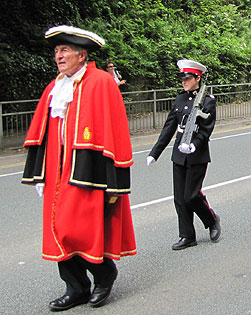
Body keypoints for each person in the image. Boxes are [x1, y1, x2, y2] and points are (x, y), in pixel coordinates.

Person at [21, 25, 136, 311]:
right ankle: (76, 288)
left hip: (89, 172)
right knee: (57, 231)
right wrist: (40, 172)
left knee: (79, 230)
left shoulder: (100, 82)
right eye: (57, 51)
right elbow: (45, 131)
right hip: (57, 172)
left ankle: (104, 273)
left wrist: (114, 180)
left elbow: (115, 130)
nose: (59, 56)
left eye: (65, 51)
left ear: (82, 55)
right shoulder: (55, 86)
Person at [146, 59, 221, 250]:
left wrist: (195, 145)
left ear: (198, 78)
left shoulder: (207, 101)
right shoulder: (180, 99)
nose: (184, 82)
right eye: (182, 78)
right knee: (179, 198)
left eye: (187, 78)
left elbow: (206, 129)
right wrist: (155, 152)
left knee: (191, 196)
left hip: (197, 155)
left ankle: (211, 220)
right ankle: (187, 235)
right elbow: (169, 127)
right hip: (179, 155)